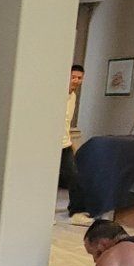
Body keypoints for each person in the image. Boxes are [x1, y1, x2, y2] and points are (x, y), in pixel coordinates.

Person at [58, 63, 85, 197]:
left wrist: (72, 143)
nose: (76, 81)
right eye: (73, 77)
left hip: (65, 143)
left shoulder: (73, 96)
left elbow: (67, 122)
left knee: (74, 176)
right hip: (53, 144)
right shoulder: (58, 95)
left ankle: (77, 210)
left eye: (79, 78)